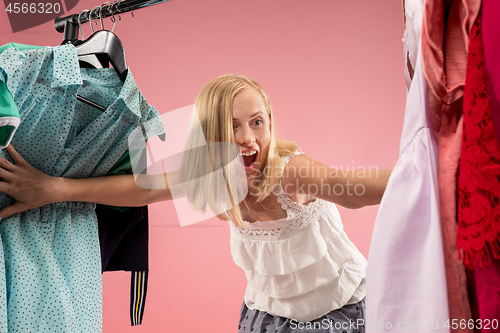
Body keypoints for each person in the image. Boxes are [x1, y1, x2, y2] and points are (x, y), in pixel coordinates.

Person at [0, 74, 390, 332]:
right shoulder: (214, 174)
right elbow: (145, 189)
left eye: (257, 122)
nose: (248, 138)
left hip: (339, 314)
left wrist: (434, 175)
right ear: (210, 135)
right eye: (231, 126)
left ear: (271, 121)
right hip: (268, 317)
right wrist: (55, 188)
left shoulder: (293, 174)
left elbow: (355, 186)